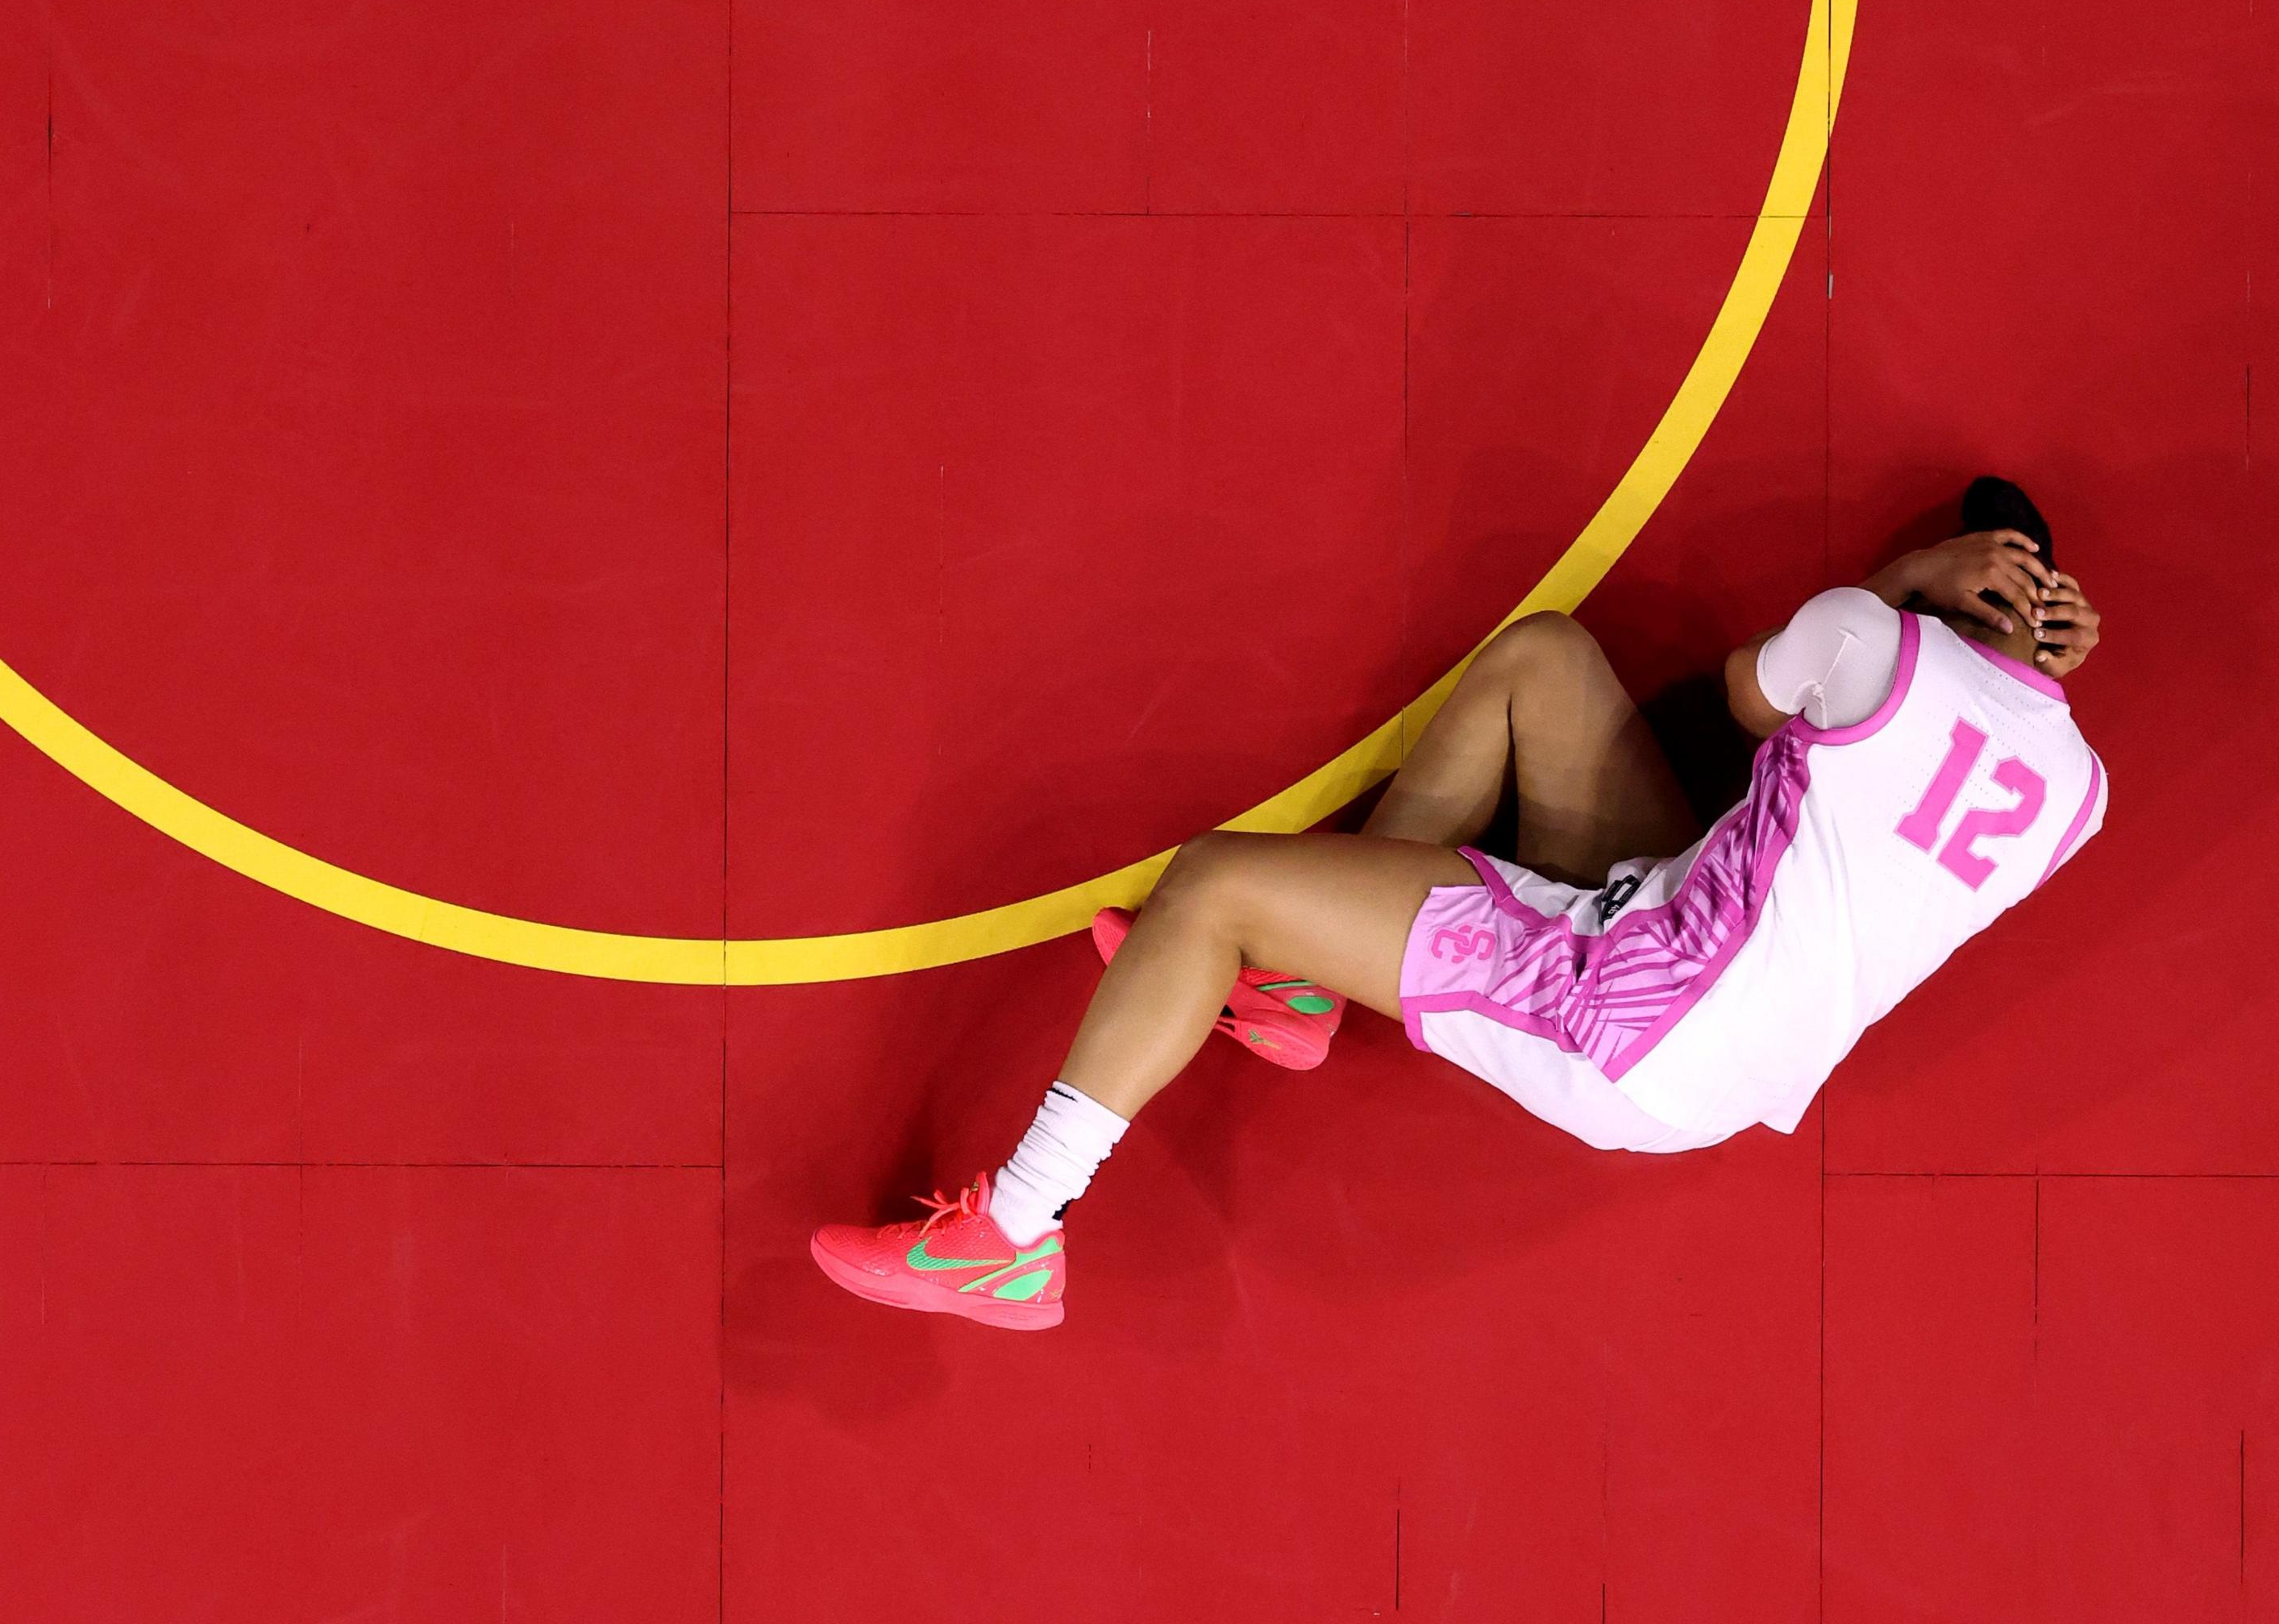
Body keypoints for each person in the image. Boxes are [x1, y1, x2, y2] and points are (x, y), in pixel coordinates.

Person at [811, 480, 2105, 1331]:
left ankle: (1016, 1235)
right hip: (1713, 979)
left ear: (1955, 581)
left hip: (1632, 1014)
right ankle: (1307, 984)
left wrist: (1904, 574)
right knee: (1545, 665)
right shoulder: (2078, 793)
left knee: (1208, 885)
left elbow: (1750, 698)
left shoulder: (1868, 633)